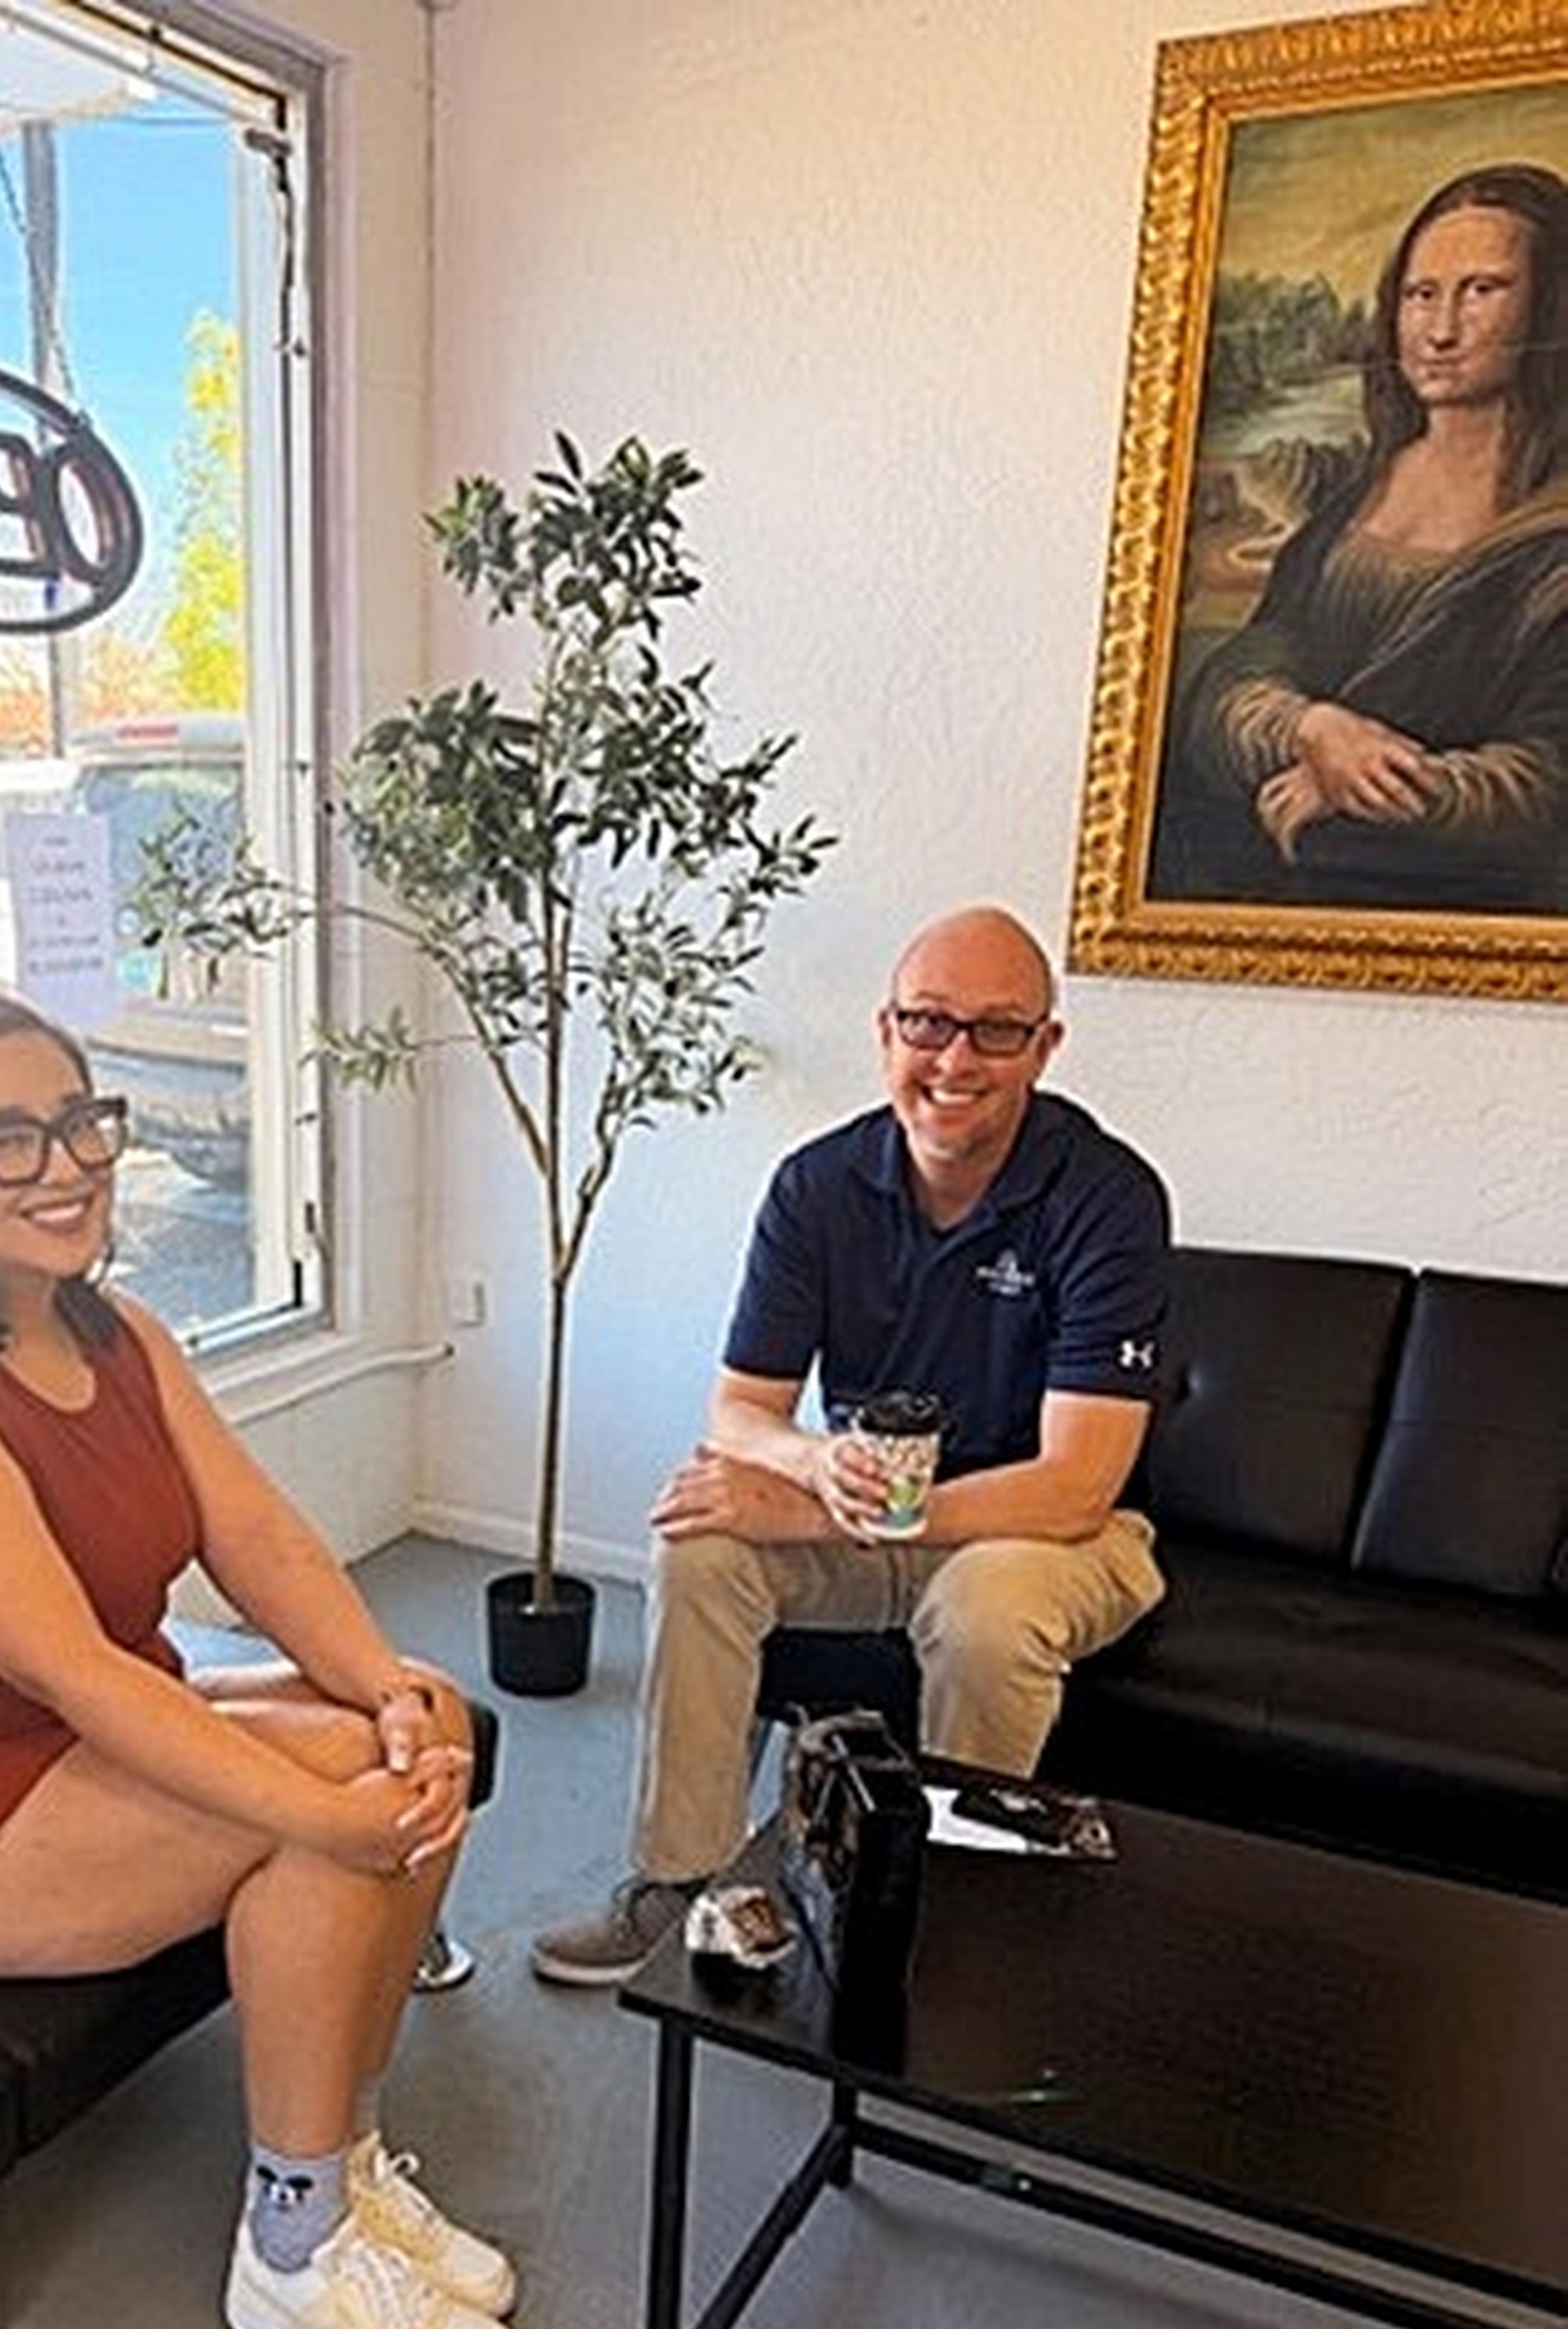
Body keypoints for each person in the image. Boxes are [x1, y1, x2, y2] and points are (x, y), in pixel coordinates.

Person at [0, 989, 517, 2329]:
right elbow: (71, 1666)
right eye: (4, 1138)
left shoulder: (116, 1333)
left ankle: (344, 2157)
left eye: (76, 1120)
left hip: (74, 1738)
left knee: (423, 1727)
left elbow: (265, 1542)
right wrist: (326, 1804)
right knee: (326, 1811)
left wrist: (389, 1693)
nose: (64, 1163)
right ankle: (292, 2252)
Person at [533, 906, 1170, 1986]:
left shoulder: (1107, 1197)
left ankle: (945, 1907)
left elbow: (1076, 1486)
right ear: (886, 1032)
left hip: (1051, 1535)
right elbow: (740, 1413)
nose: (954, 1058)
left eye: (996, 1030)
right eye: (928, 1022)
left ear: (1046, 1047)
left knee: (985, 1613)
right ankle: (679, 1879)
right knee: (701, 1540)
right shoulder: (816, 1187)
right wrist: (808, 1469)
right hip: (875, 1510)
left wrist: (836, 1507)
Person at [1154, 162, 1568, 914]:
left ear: (1551, 308)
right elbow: (1241, 673)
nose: (1440, 331)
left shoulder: (1553, 536)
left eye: (1482, 291)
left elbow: (1548, 781)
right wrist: (1313, 729)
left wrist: (1379, 785)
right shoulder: (1355, 501)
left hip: (1464, 917)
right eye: (1420, 295)